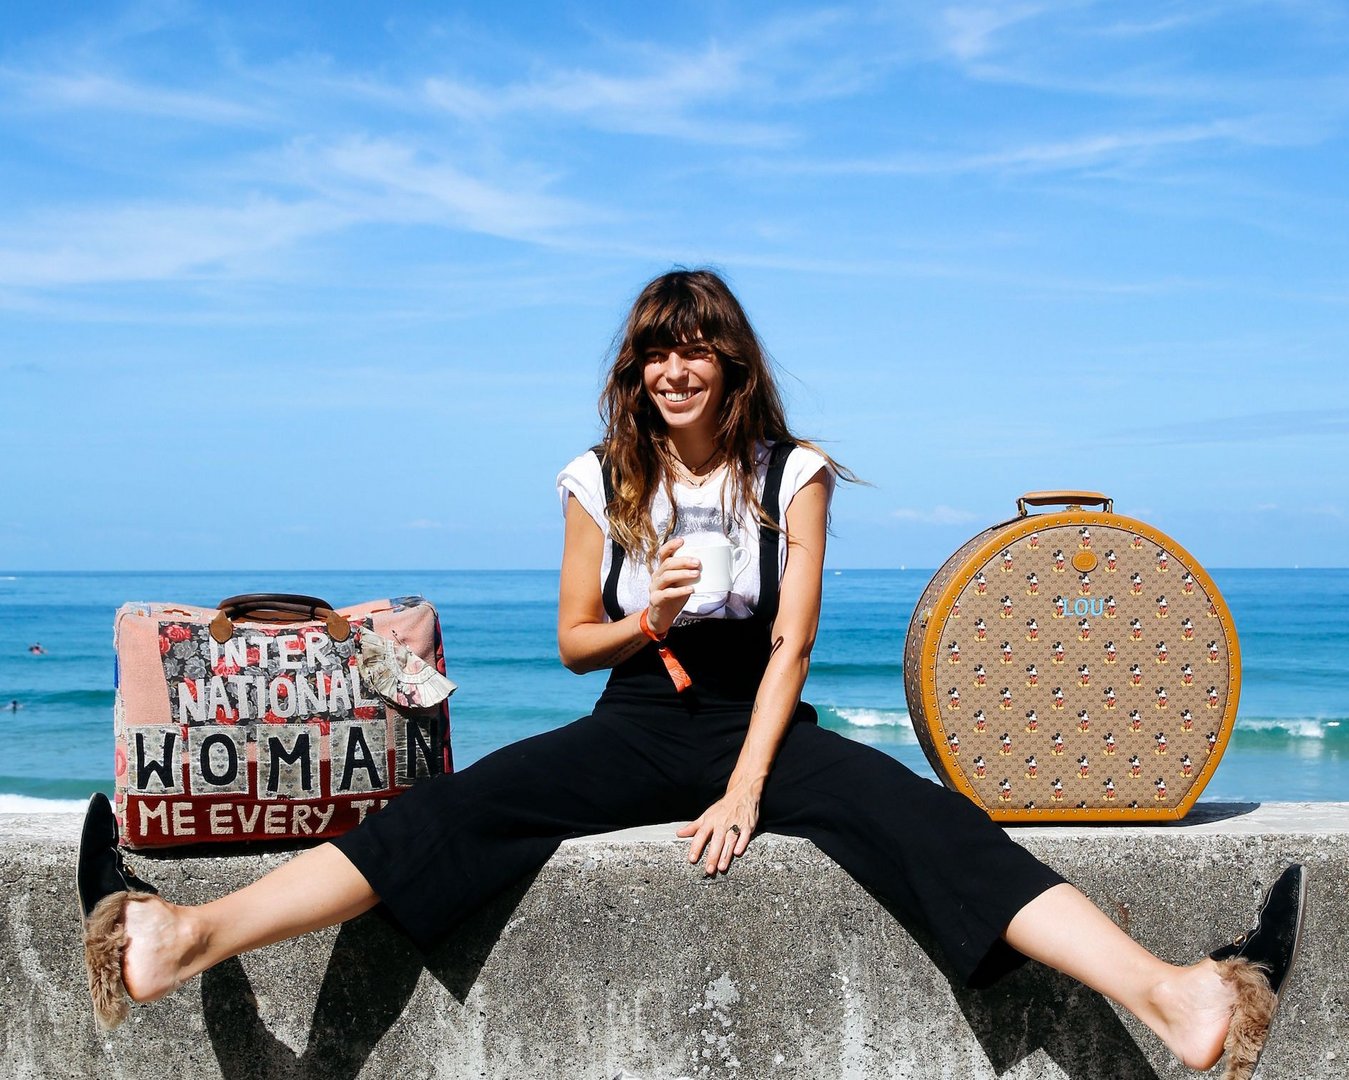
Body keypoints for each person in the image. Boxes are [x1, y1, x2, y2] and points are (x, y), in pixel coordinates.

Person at [80, 269, 1300, 1080]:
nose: (674, 368)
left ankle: (1175, 1001)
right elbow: (571, 643)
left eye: (695, 347)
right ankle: (182, 936)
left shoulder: (792, 472)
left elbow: (791, 643)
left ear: (729, 361)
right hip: (632, 714)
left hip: (756, 719)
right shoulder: (595, 479)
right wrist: (640, 614)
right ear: (636, 370)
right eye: (654, 352)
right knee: (453, 813)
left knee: (931, 828)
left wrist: (745, 788)